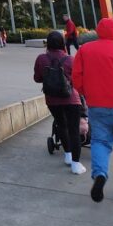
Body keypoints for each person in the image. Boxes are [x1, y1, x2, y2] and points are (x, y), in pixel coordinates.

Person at [72, 18, 113, 202]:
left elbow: (76, 77)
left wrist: (88, 93)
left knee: (100, 142)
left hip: (97, 106)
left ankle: (100, 175)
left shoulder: (85, 50)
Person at [34, 31, 86, 175]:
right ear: (63, 43)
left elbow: (37, 78)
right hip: (71, 100)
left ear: (48, 44)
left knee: (61, 125)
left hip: (52, 100)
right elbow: (77, 81)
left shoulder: (41, 59)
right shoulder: (70, 60)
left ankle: (68, 155)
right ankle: (76, 164)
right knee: (74, 130)